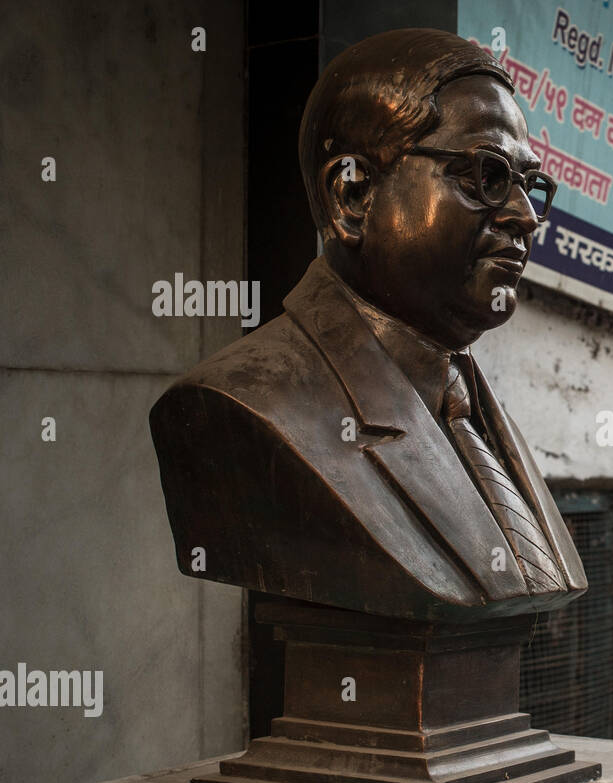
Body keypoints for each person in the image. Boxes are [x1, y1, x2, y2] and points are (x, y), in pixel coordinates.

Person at [150, 30, 588, 622]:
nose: (524, 216)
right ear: (352, 194)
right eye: (486, 175)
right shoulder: (242, 406)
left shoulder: (473, 409)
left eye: (528, 184)